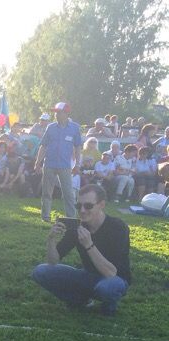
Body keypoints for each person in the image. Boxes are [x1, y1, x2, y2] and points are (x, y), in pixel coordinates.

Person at [32, 184, 130, 315]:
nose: (82, 210)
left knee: (108, 287)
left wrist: (89, 245)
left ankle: (108, 305)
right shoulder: (77, 227)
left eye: (88, 206)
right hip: (88, 275)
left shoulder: (117, 227)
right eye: (79, 206)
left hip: (116, 279)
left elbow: (111, 272)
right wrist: (51, 239)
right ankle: (80, 300)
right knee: (41, 271)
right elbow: (52, 261)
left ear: (101, 205)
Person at [35, 101, 81, 222]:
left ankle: (71, 218)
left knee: (68, 194)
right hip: (49, 164)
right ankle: (45, 217)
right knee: (46, 193)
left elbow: (78, 147)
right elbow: (43, 146)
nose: (56, 115)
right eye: (55, 112)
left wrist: (78, 164)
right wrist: (38, 162)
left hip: (65, 166)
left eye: (58, 112)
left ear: (66, 113)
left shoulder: (75, 128)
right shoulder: (50, 127)